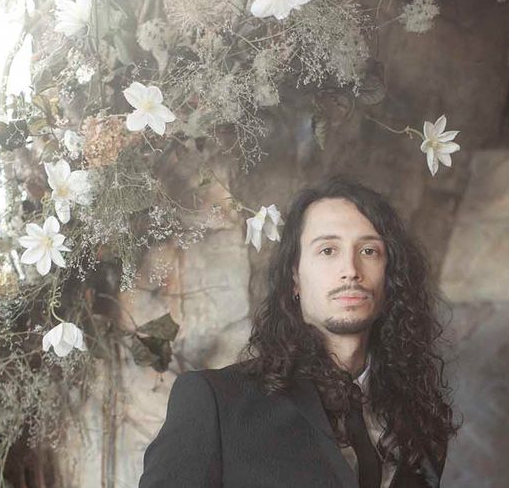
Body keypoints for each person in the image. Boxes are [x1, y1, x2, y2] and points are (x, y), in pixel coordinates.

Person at [139, 174, 457, 487]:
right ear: (295, 277)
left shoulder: (419, 421)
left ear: (390, 277)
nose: (350, 270)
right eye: (327, 250)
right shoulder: (216, 402)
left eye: (369, 251)